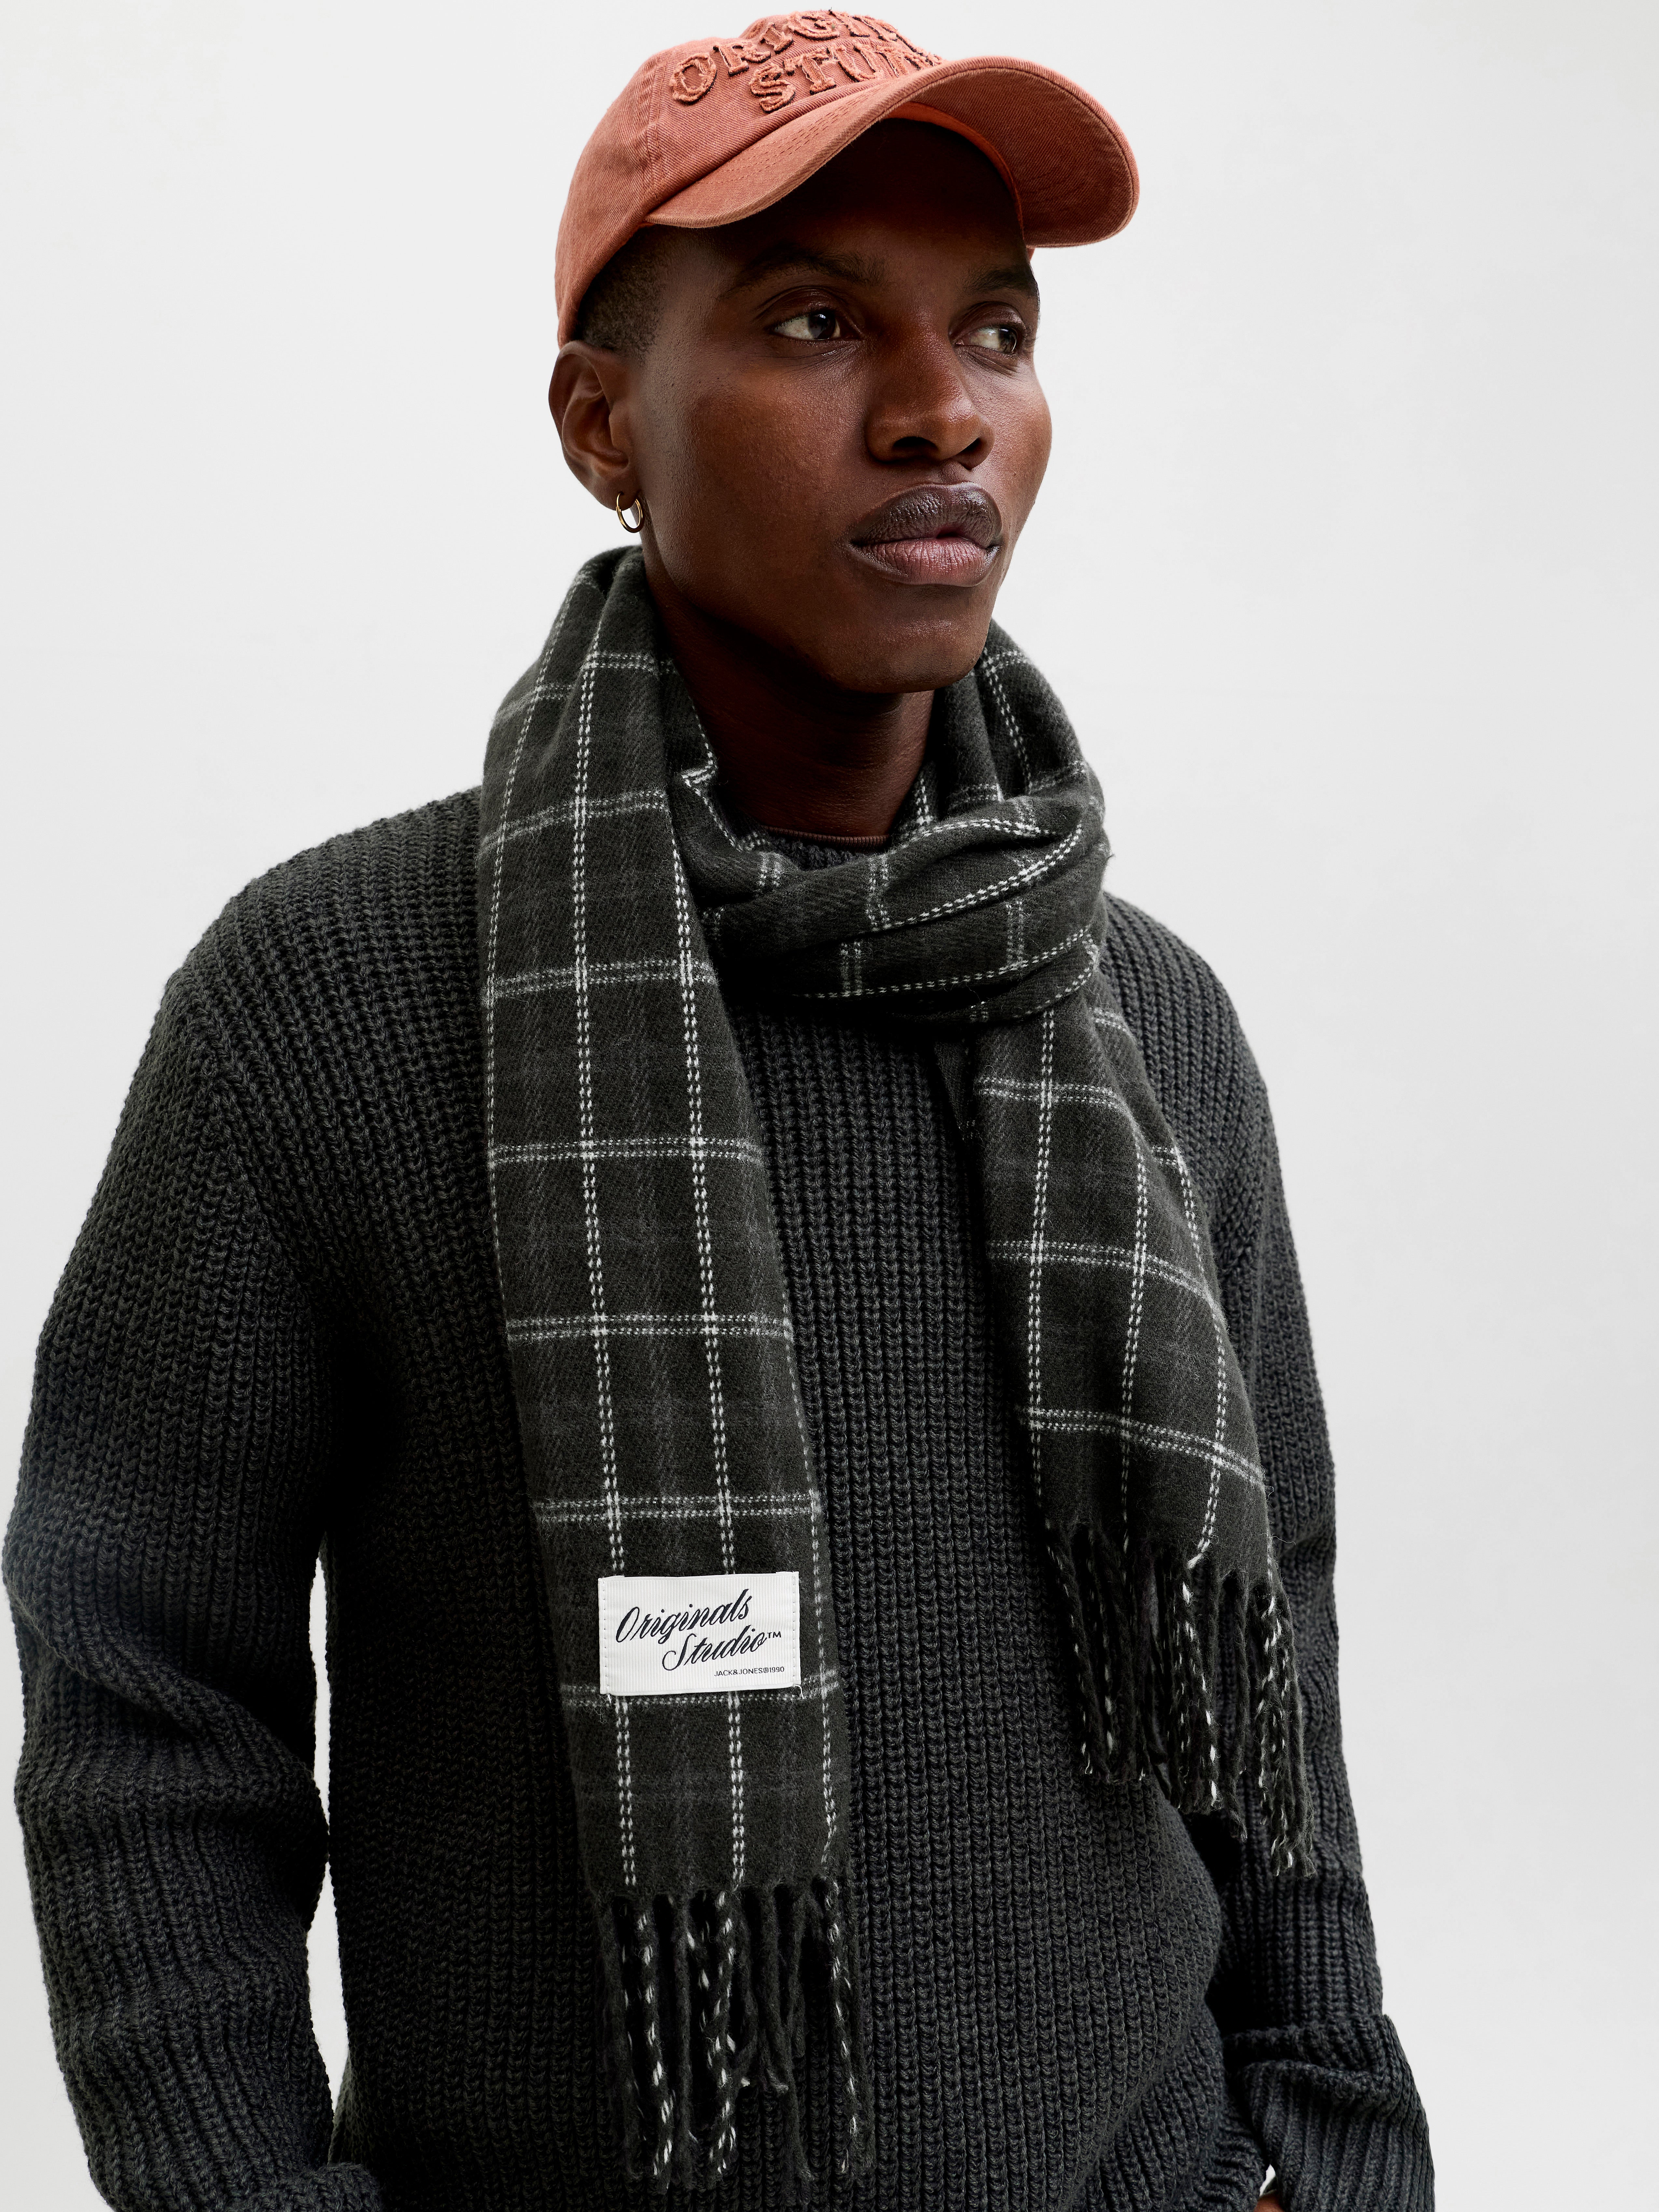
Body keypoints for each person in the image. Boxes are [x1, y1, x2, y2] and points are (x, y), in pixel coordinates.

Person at [6, 16, 1433, 2211]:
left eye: (997, 331)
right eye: (813, 323)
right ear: (603, 425)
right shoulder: (332, 1003)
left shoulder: (1143, 1013)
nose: (942, 409)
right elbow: (145, 1695)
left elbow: (1271, 1653)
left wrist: (1326, 2151)